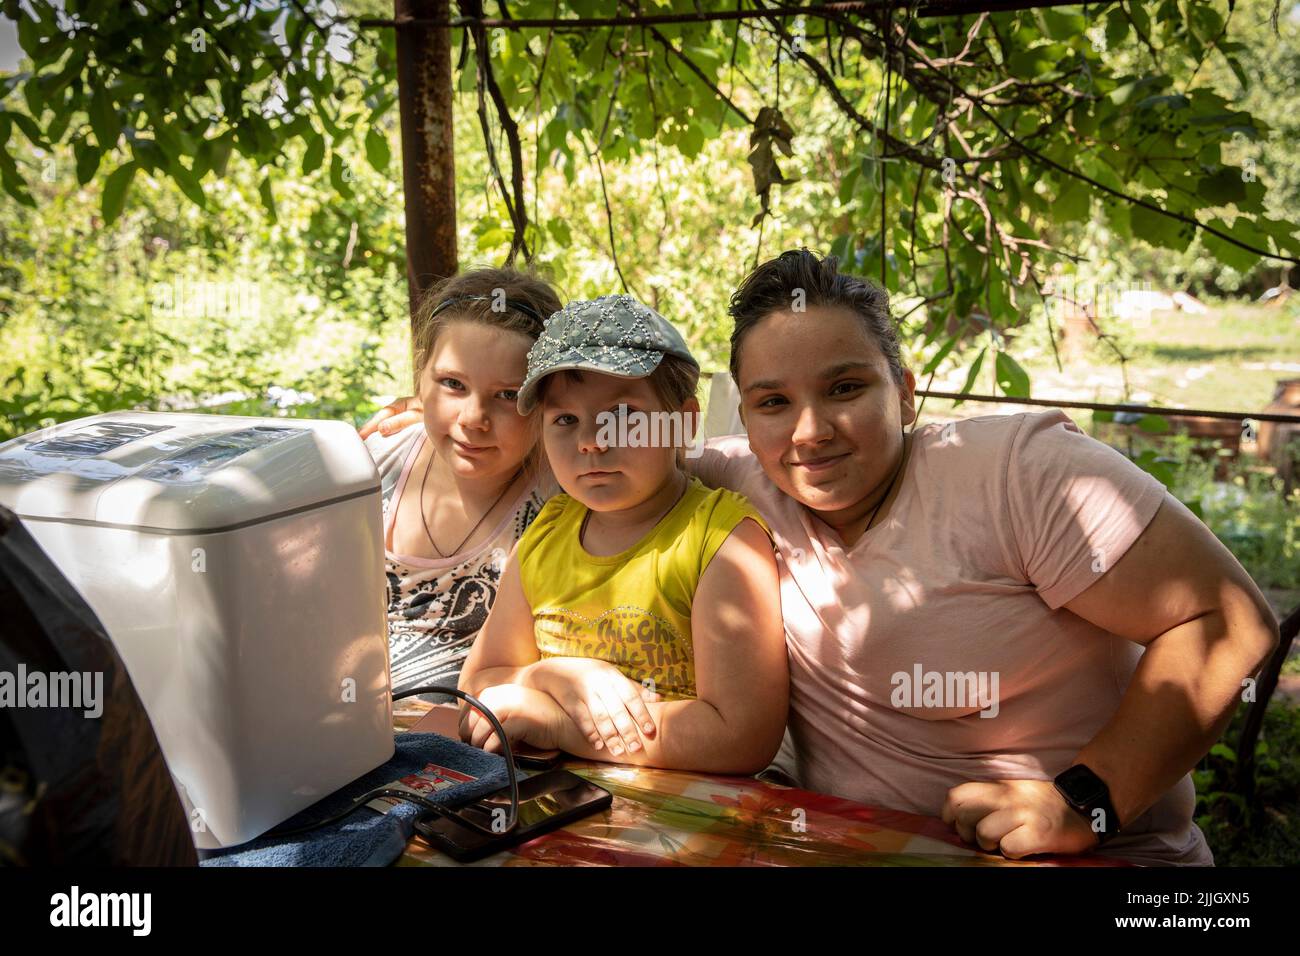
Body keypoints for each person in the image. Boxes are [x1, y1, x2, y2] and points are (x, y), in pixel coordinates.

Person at [361, 251, 1279, 865]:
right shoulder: (729, 480)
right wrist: (437, 424)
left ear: (905, 390)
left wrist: (1084, 805)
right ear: (736, 415)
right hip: (843, 844)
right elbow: (589, 446)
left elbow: (1229, 621)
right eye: (770, 401)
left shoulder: (1018, 472)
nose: (808, 432)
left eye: (845, 388)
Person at [454, 295, 788, 774]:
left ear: (684, 421)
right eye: (565, 420)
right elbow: (478, 684)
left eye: (624, 416)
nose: (591, 440)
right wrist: (552, 674)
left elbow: (741, 737)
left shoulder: (720, 540)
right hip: (550, 811)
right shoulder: (547, 532)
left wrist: (560, 726)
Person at [361, 268, 562, 700]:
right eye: (453, 384)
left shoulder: (563, 495)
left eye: (508, 395)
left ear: (548, 398)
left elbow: (684, 460)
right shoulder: (376, 461)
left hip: (464, 746)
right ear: (420, 379)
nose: (473, 418)